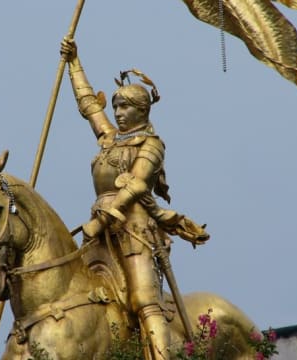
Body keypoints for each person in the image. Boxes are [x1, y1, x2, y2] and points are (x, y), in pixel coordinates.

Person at [60, 38, 209, 359]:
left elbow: (139, 185)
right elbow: (89, 105)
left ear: (142, 110)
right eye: (116, 107)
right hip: (98, 226)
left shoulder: (152, 144)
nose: (118, 113)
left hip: (133, 227)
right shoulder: (109, 138)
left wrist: (99, 222)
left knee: (143, 299)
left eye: (125, 107)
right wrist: (74, 63)